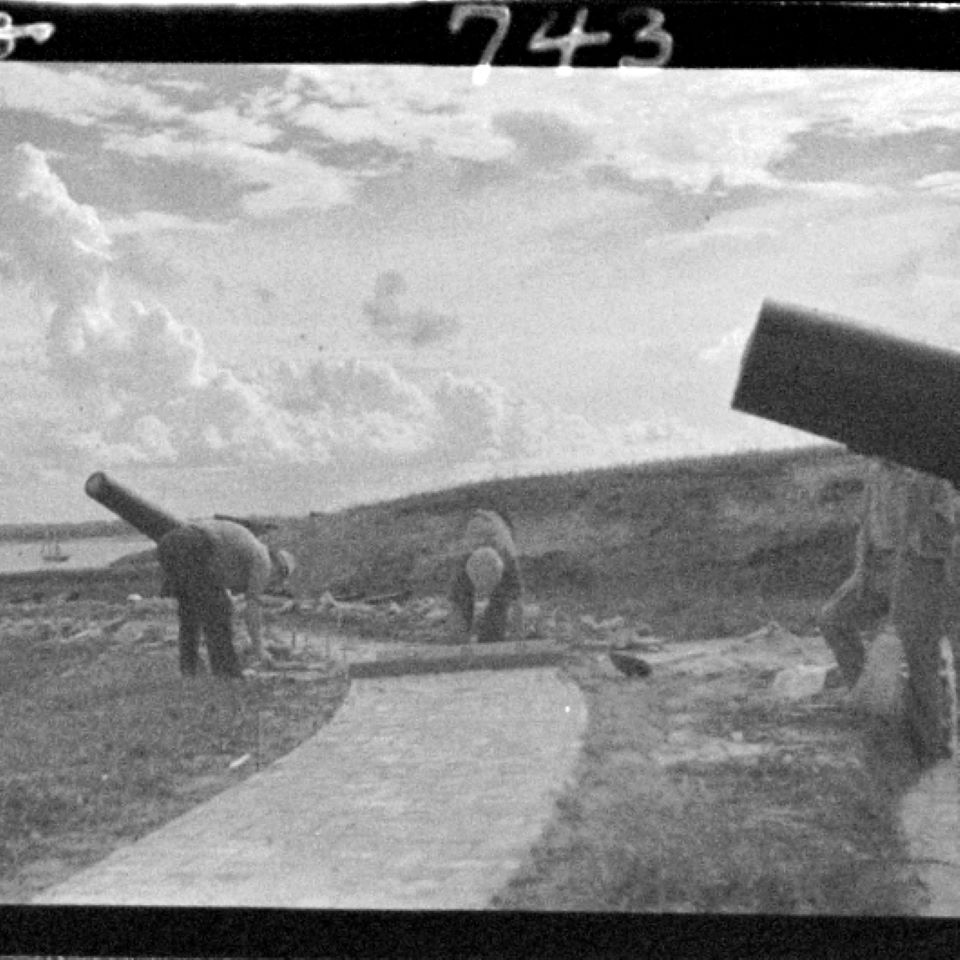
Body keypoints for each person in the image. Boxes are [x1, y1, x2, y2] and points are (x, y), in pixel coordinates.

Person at [819, 457, 958, 763]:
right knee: (833, 619)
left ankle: (930, 741)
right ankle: (875, 706)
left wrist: (919, 512)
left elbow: (945, 538)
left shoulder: (932, 476)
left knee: (920, 651)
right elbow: (867, 526)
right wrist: (860, 570)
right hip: (876, 570)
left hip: (919, 570)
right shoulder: (876, 471)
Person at [157, 518, 295, 679]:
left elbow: (216, 581)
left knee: (190, 613)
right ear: (279, 568)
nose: (270, 584)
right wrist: (259, 649)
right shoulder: (263, 560)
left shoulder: (238, 555)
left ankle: (190, 670)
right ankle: (227, 672)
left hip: (168, 543)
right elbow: (252, 608)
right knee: (220, 610)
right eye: (276, 581)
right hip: (194, 543)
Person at [449, 507, 523, 644]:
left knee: (498, 616)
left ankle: (492, 636)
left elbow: (516, 601)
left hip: (501, 541)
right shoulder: (463, 564)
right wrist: (460, 642)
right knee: (461, 615)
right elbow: (456, 606)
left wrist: (515, 641)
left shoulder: (508, 561)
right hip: (472, 561)